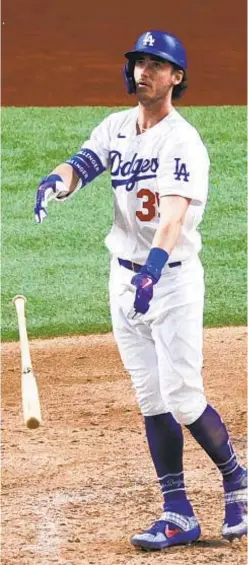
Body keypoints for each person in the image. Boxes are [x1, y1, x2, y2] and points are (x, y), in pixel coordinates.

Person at [34, 30, 247, 550]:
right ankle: (177, 512)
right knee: (151, 397)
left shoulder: (182, 141)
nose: (143, 72)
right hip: (123, 276)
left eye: (156, 64)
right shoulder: (116, 127)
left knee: (182, 395)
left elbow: (172, 220)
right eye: (138, 63)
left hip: (170, 278)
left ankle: (237, 479)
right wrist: (55, 181)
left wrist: (152, 269)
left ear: (177, 76)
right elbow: (83, 163)